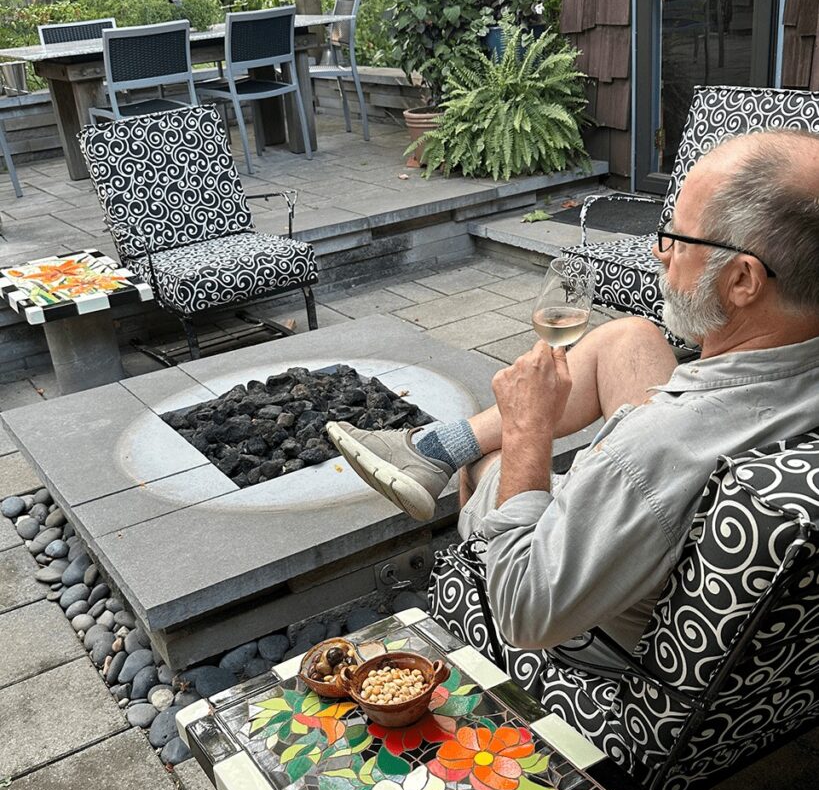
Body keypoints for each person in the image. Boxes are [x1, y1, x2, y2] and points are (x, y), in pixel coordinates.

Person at [327, 129, 819, 658]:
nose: (661, 253)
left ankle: (453, 490)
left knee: (488, 458)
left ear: (743, 281)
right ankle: (429, 451)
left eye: (679, 239)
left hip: (592, 630)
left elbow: (526, 610)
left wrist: (526, 431)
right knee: (631, 335)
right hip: (695, 491)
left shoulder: (653, 451)